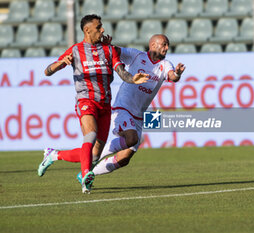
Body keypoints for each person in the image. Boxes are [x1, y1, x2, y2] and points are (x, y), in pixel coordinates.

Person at [37, 14, 149, 194]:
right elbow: (47, 71)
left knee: (94, 154)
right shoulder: (76, 50)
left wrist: (132, 79)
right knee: (90, 135)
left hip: (105, 105)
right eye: (99, 27)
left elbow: (121, 72)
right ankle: (86, 178)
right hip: (86, 100)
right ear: (87, 30)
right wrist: (59, 64)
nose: (102, 30)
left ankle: (54, 154)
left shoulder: (108, 50)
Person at [77, 34, 185, 185]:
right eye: (164, 44)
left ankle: (89, 174)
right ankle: (94, 158)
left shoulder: (166, 64)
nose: (167, 48)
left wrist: (178, 73)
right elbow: (114, 51)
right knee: (132, 138)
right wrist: (107, 45)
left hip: (139, 116)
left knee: (124, 158)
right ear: (153, 45)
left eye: (167, 45)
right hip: (123, 108)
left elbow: (172, 77)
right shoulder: (136, 55)